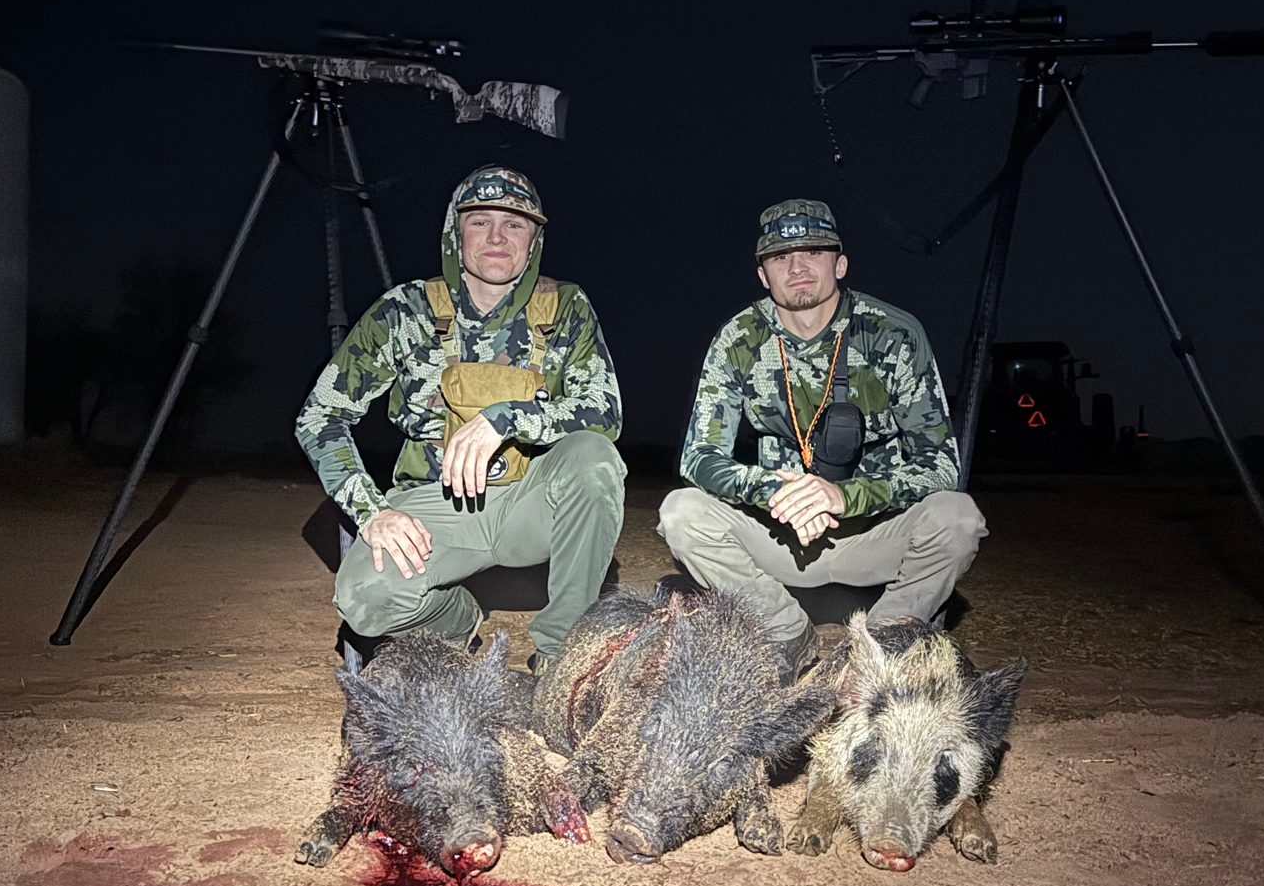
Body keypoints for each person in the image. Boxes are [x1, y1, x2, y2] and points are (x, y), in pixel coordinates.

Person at [295, 165, 625, 668]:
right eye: (480, 221)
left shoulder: (567, 307)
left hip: (528, 500)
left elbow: (605, 412)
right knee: (365, 599)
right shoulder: (403, 311)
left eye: (515, 224)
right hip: (435, 505)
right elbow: (320, 416)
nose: (497, 236)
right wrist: (373, 512)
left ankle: (562, 656)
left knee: (594, 458)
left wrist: (504, 418)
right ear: (455, 232)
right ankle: (455, 617)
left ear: (534, 239)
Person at [659, 198, 985, 671]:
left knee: (958, 518)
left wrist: (842, 496)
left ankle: (883, 647)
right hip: (779, 538)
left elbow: (940, 464)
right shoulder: (739, 339)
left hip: (873, 537)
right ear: (763, 274)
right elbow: (699, 456)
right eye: (780, 257)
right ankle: (784, 634)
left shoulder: (893, 333)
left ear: (840, 263)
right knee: (681, 512)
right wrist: (776, 491)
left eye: (812, 252)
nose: (797, 267)